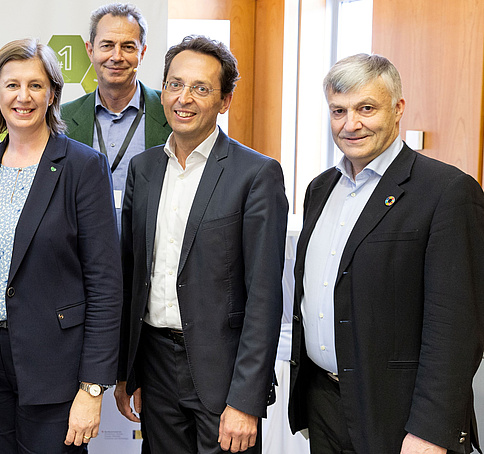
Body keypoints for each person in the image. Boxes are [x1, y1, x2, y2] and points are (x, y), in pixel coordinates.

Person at [289, 53, 484, 454]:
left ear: (398, 109)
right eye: (338, 111)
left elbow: (458, 327)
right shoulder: (320, 189)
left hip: (399, 415)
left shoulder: (446, 192)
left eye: (366, 108)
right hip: (324, 403)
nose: (350, 124)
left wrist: (432, 431)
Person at [0, 38, 122, 453]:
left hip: (56, 366)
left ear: (53, 93)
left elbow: (106, 286)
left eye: (36, 85)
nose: (23, 97)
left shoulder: (83, 166)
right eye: (12, 85)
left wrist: (92, 388)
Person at [117, 35, 287, 454]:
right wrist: (128, 372)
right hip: (155, 365)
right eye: (175, 85)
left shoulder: (256, 174)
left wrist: (246, 401)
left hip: (223, 374)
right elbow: (130, 273)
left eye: (201, 88)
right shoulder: (144, 168)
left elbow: (264, 296)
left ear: (225, 100)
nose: (184, 99)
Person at [61, 3, 173, 225]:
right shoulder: (62, 118)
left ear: (142, 53)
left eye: (128, 47)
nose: (117, 56)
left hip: (150, 253)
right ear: (90, 51)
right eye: (107, 45)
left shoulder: (170, 113)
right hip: (82, 254)